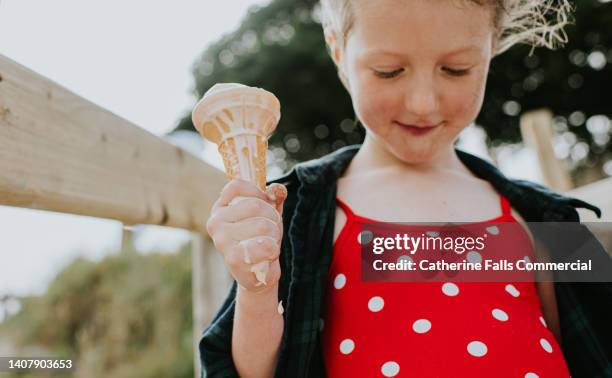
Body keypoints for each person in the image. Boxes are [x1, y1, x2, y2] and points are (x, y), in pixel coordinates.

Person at [200, 0, 611, 377]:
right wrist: (257, 288)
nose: (422, 103)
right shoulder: (302, 212)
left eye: (456, 69)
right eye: (389, 71)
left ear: (491, 49)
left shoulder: (542, 216)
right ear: (339, 51)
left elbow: (595, 340)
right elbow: (256, 372)